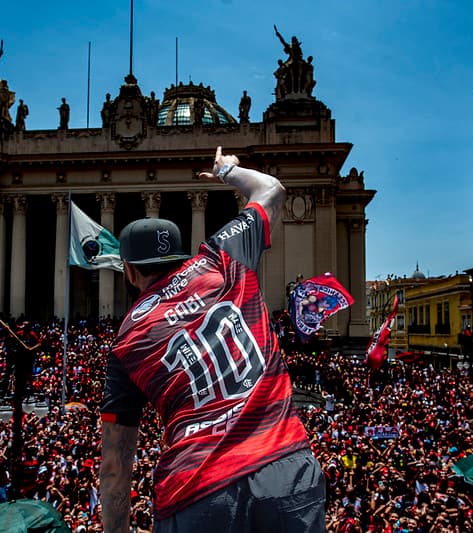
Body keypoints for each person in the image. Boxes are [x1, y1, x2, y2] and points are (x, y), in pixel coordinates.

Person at [100, 146, 325, 532]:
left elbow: (115, 465)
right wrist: (227, 171)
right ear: (179, 256)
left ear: (129, 272)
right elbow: (272, 189)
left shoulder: (126, 342)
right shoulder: (222, 257)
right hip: (284, 468)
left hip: (196, 491)